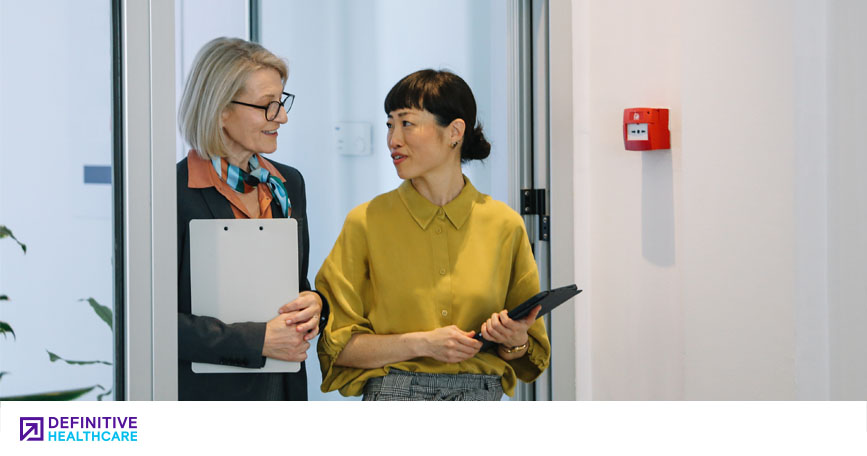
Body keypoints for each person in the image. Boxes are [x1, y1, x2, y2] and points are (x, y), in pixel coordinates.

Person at [316, 69, 550, 400]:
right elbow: (337, 348)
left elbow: (529, 354)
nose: (393, 139)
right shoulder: (365, 222)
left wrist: (515, 340)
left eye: (406, 123)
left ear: (455, 131)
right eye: (390, 125)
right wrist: (422, 343)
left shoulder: (504, 224)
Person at [176, 37, 326, 400]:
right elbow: (151, 322)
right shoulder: (171, 193)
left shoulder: (288, 184)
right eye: (267, 106)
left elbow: (293, 285)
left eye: (281, 102)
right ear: (220, 110)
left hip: (282, 390)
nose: (282, 117)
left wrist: (315, 305)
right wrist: (258, 340)